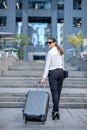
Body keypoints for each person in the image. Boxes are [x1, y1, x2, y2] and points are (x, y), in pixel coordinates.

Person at [40, 37, 64, 120]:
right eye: (47, 42)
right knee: (58, 93)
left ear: (54, 43)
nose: (48, 44)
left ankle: (56, 111)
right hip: (61, 73)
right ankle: (55, 111)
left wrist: (44, 77)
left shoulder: (50, 52)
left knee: (55, 94)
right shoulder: (59, 51)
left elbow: (47, 66)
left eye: (50, 42)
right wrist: (64, 74)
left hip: (53, 73)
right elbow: (63, 64)